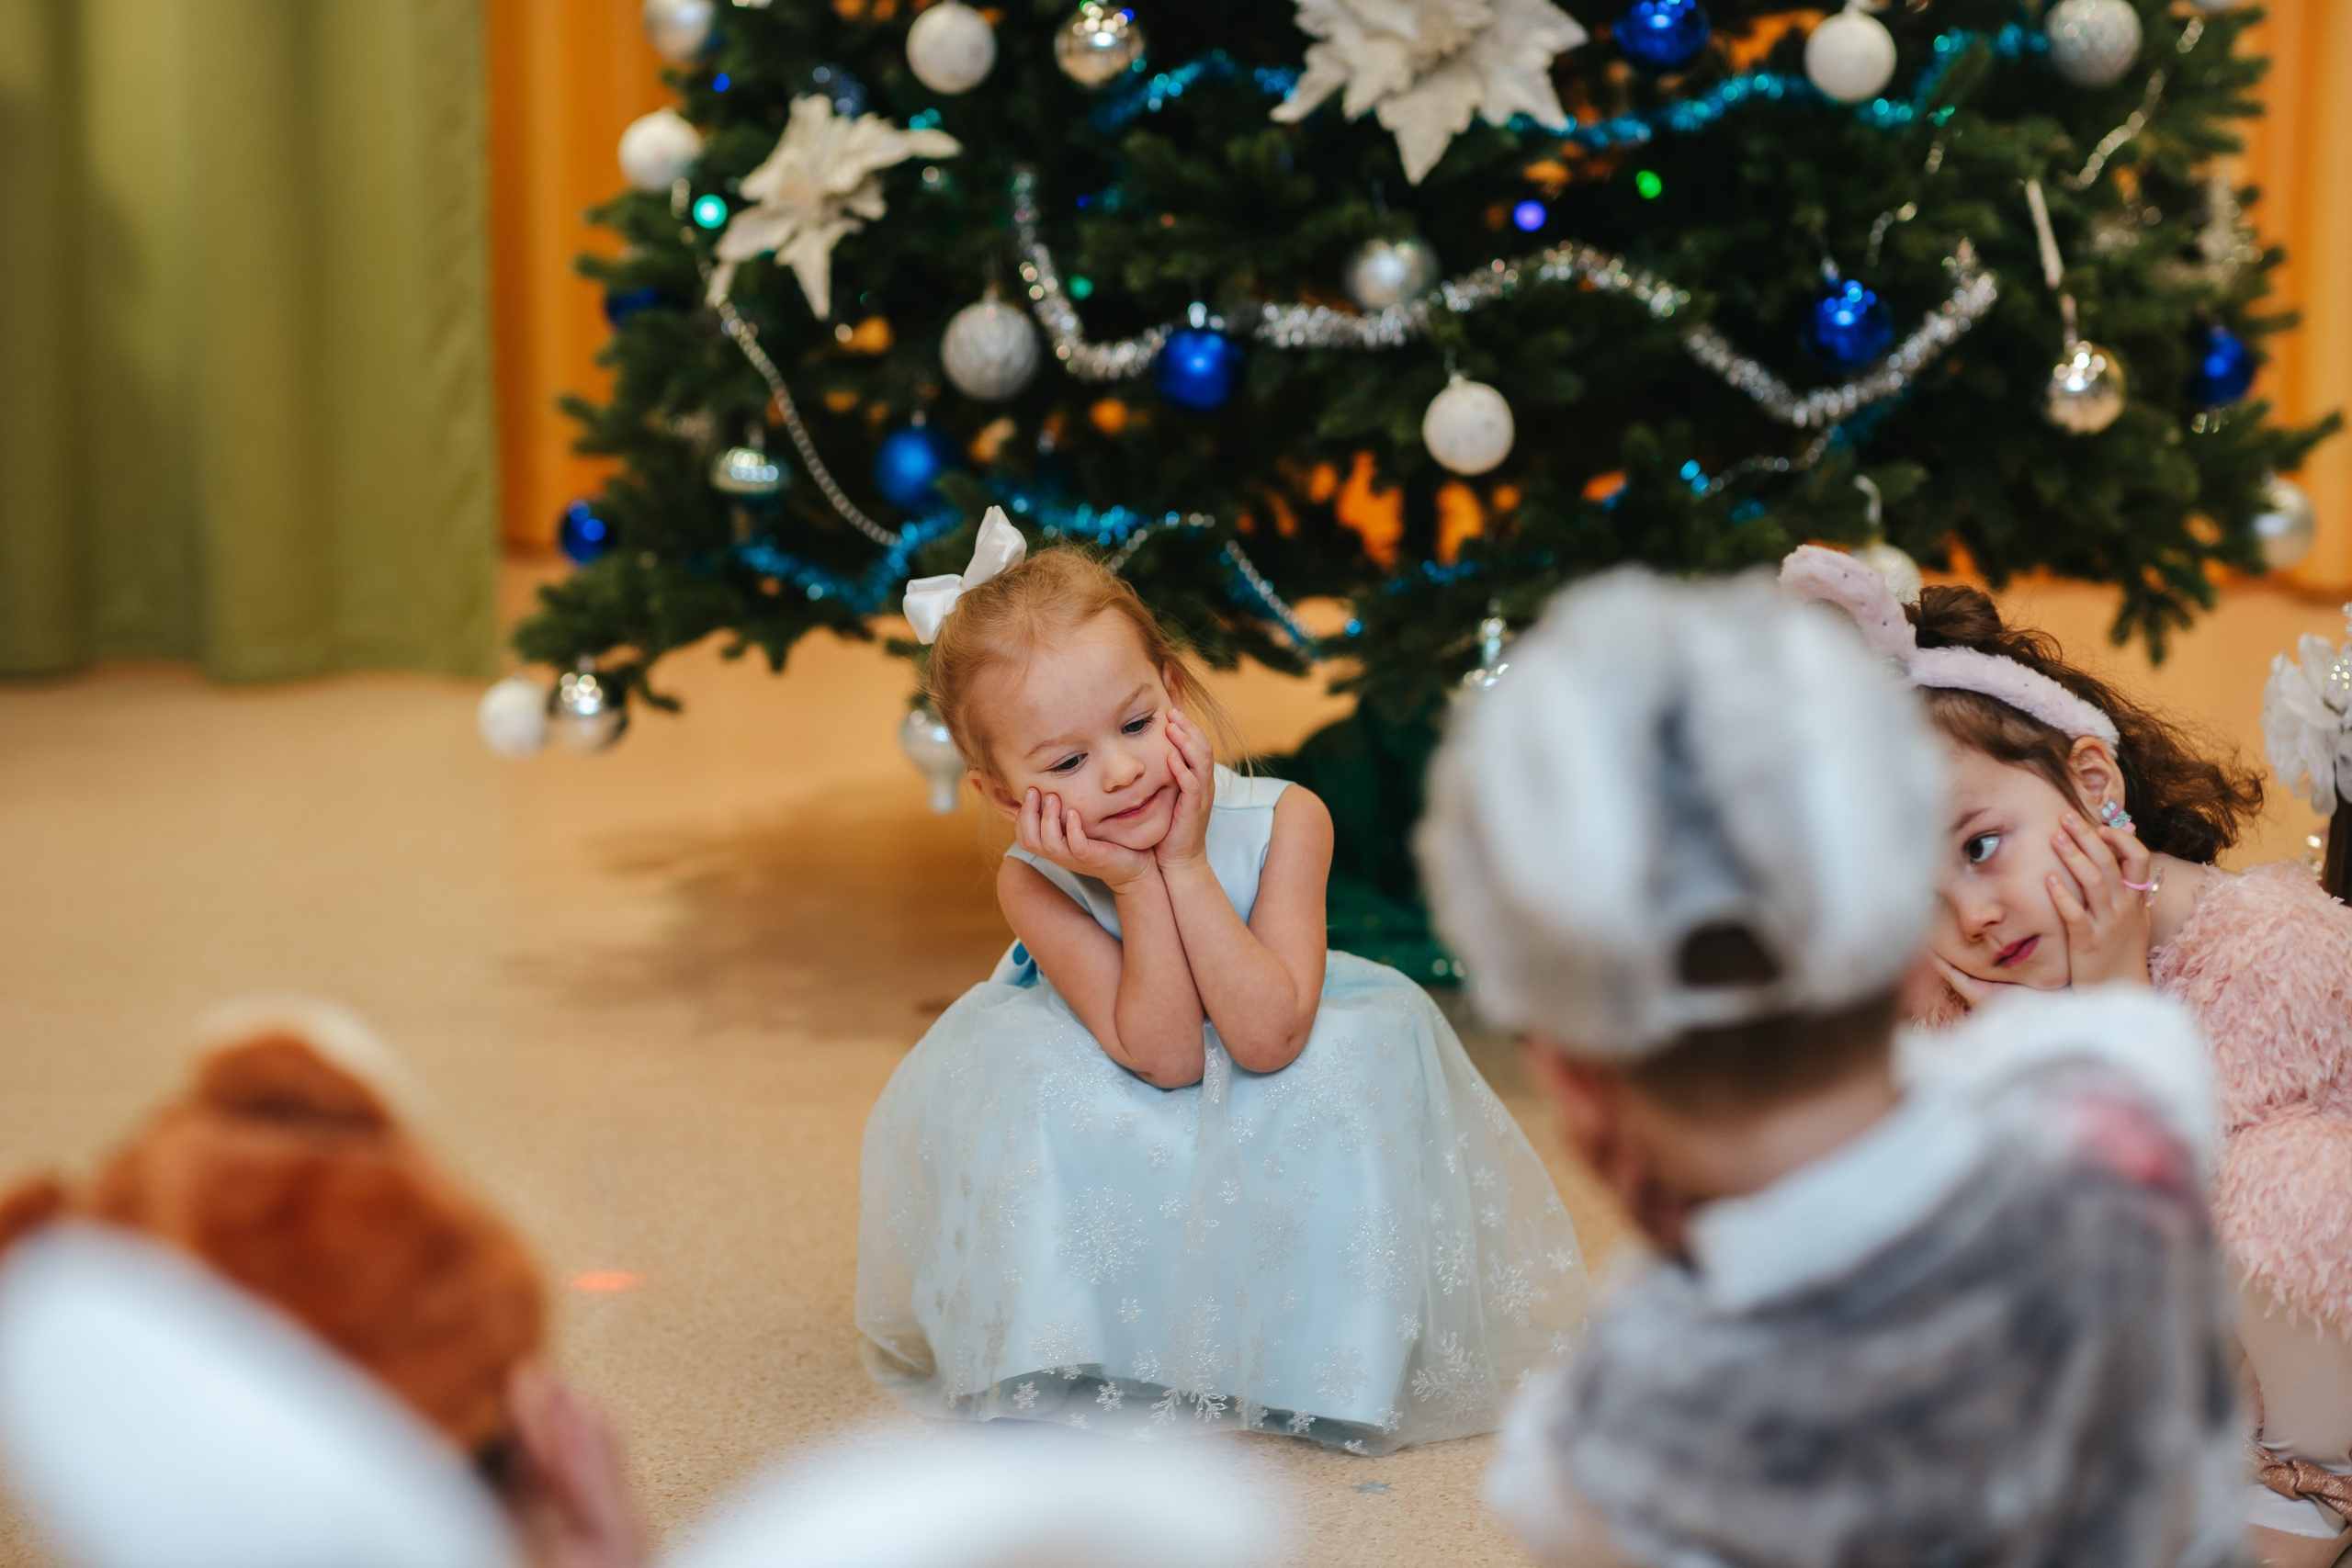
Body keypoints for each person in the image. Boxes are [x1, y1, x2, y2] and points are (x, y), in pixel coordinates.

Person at [1418, 566, 2244, 1568]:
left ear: (1574, 1085)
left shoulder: (1602, 1426)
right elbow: (2120, 1052)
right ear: (1899, 955)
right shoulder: (2108, 1121)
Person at [855, 511, 1586, 1453]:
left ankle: (1320, 1355)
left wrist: (1186, 862)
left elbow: (1269, 1036)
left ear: (1173, 691)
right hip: (1132, 1044)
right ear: (1002, 794)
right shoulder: (1032, 882)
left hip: (1262, 1011)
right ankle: (1100, 1349)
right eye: (1067, 762)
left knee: (1357, 1059)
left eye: (1135, 724)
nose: (1122, 771)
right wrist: (1131, 882)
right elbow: (1162, 1056)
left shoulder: (1291, 818)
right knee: (1035, 1085)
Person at [1783, 544, 2352, 1567]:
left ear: (2093, 785)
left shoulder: (2269, 949)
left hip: (2299, 1370)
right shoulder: (1960, 1001)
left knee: (2297, 1179)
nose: (1970, 916)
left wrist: (2118, 1004)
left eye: (1978, 847)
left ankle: (2299, 1502)